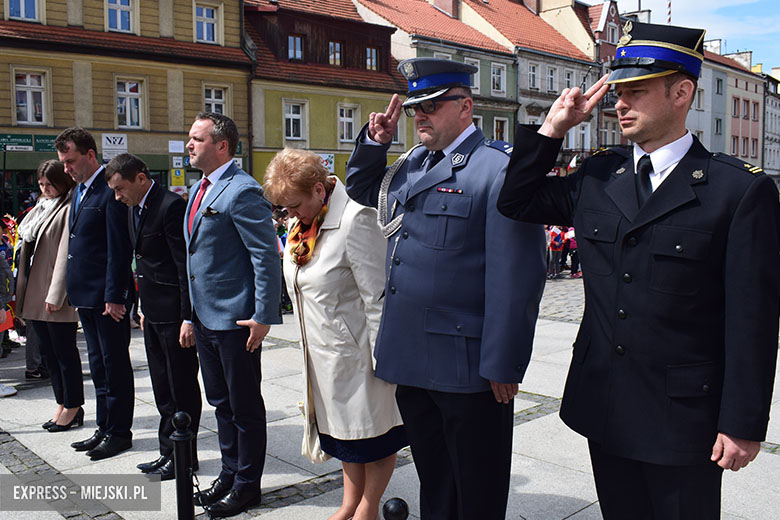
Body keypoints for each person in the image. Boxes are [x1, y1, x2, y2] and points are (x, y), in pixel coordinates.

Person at [498, 21, 780, 519]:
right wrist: (551, 131)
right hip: (605, 406)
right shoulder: (599, 176)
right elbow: (515, 200)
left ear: (681, 92)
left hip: (685, 419)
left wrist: (743, 422)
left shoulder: (736, 191)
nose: (619, 104)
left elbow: (752, 319)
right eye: (618, 91)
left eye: (636, 91)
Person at [345, 58, 546, 520]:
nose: (421, 116)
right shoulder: (414, 161)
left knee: (477, 485)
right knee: (435, 478)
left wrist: (504, 362)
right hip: (411, 357)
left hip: (467, 364)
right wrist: (375, 142)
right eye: (417, 107)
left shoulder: (496, 169)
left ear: (466, 107)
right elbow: (361, 189)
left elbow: (517, 277)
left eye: (433, 106)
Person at [264, 148, 406, 520]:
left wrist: (384, 360)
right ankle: (349, 503)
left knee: (373, 436)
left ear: (317, 190)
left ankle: (368, 507)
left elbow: (377, 297)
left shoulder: (355, 221)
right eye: (284, 209)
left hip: (358, 355)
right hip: (321, 354)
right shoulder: (304, 223)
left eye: (293, 206)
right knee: (344, 436)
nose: (289, 216)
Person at [185, 113, 281, 517]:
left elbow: (265, 257)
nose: (189, 144)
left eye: (196, 138)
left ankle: (247, 485)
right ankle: (229, 473)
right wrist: (190, 315)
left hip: (236, 321)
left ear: (221, 145)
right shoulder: (198, 189)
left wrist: (263, 315)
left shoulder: (243, 191)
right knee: (221, 402)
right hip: (206, 318)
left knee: (243, 406)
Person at [105, 153, 202, 481]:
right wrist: (141, 308)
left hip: (175, 315)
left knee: (182, 387)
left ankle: (186, 457)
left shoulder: (169, 205)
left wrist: (188, 317)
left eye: (121, 189)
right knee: (163, 388)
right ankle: (168, 452)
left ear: (141, 178)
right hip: (152, 312)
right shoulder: (134, 209)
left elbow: (182, 266)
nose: (118, 196)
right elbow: (142, 263)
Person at [55, 127, 135, 461]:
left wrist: (115, 295)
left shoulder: (109, 189)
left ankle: (119, 432)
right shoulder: (79, 191)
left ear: (90, 155)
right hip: (86, 295)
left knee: (114, 364)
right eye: (63, 162)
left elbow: (118, 248)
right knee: (98, 365)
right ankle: (104, 426)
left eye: (71, 161)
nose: (66, 169)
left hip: (107, 298)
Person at [15, 160, 83, 431]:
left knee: (64, 352)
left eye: (49, 184)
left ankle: (74, 405)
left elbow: (66, 254)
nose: (45, 189)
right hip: (34, 290)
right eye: (41, 184)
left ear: (62, 182)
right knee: (47, 353)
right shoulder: (38, 210)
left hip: (54, 294)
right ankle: (62, 402)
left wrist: (56, 294)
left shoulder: (67, 208)